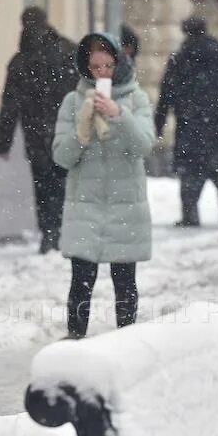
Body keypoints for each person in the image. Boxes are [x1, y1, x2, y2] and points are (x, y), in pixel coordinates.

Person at [52, 32, 154, 339]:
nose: (101, 73)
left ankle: (126, 342)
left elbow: (144, 145)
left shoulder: (137, 99)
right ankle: (75, 341)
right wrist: (83, 130)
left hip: (126, 207)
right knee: (81, 281)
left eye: (107, 66)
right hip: (85, 206)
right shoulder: (73, 101)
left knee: (124, 282)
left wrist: (118, 115)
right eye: (95, 67)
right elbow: (60, 157)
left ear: (118, 64)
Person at [0, 6, 77, 253]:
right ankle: (60, 230)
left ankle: (48, 232)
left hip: (36, 133)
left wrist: (3, 141)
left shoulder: (20, 60)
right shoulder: (68, 51)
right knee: (62, 181)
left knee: (42, 183)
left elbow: (10, 104)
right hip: (65, 129)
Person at [154, 16, 218, 226]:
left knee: (190, 175)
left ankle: (190, 214)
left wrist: (158, 123)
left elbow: (166, 94)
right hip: (217, 124)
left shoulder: (180, 58)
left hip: (189, 124)